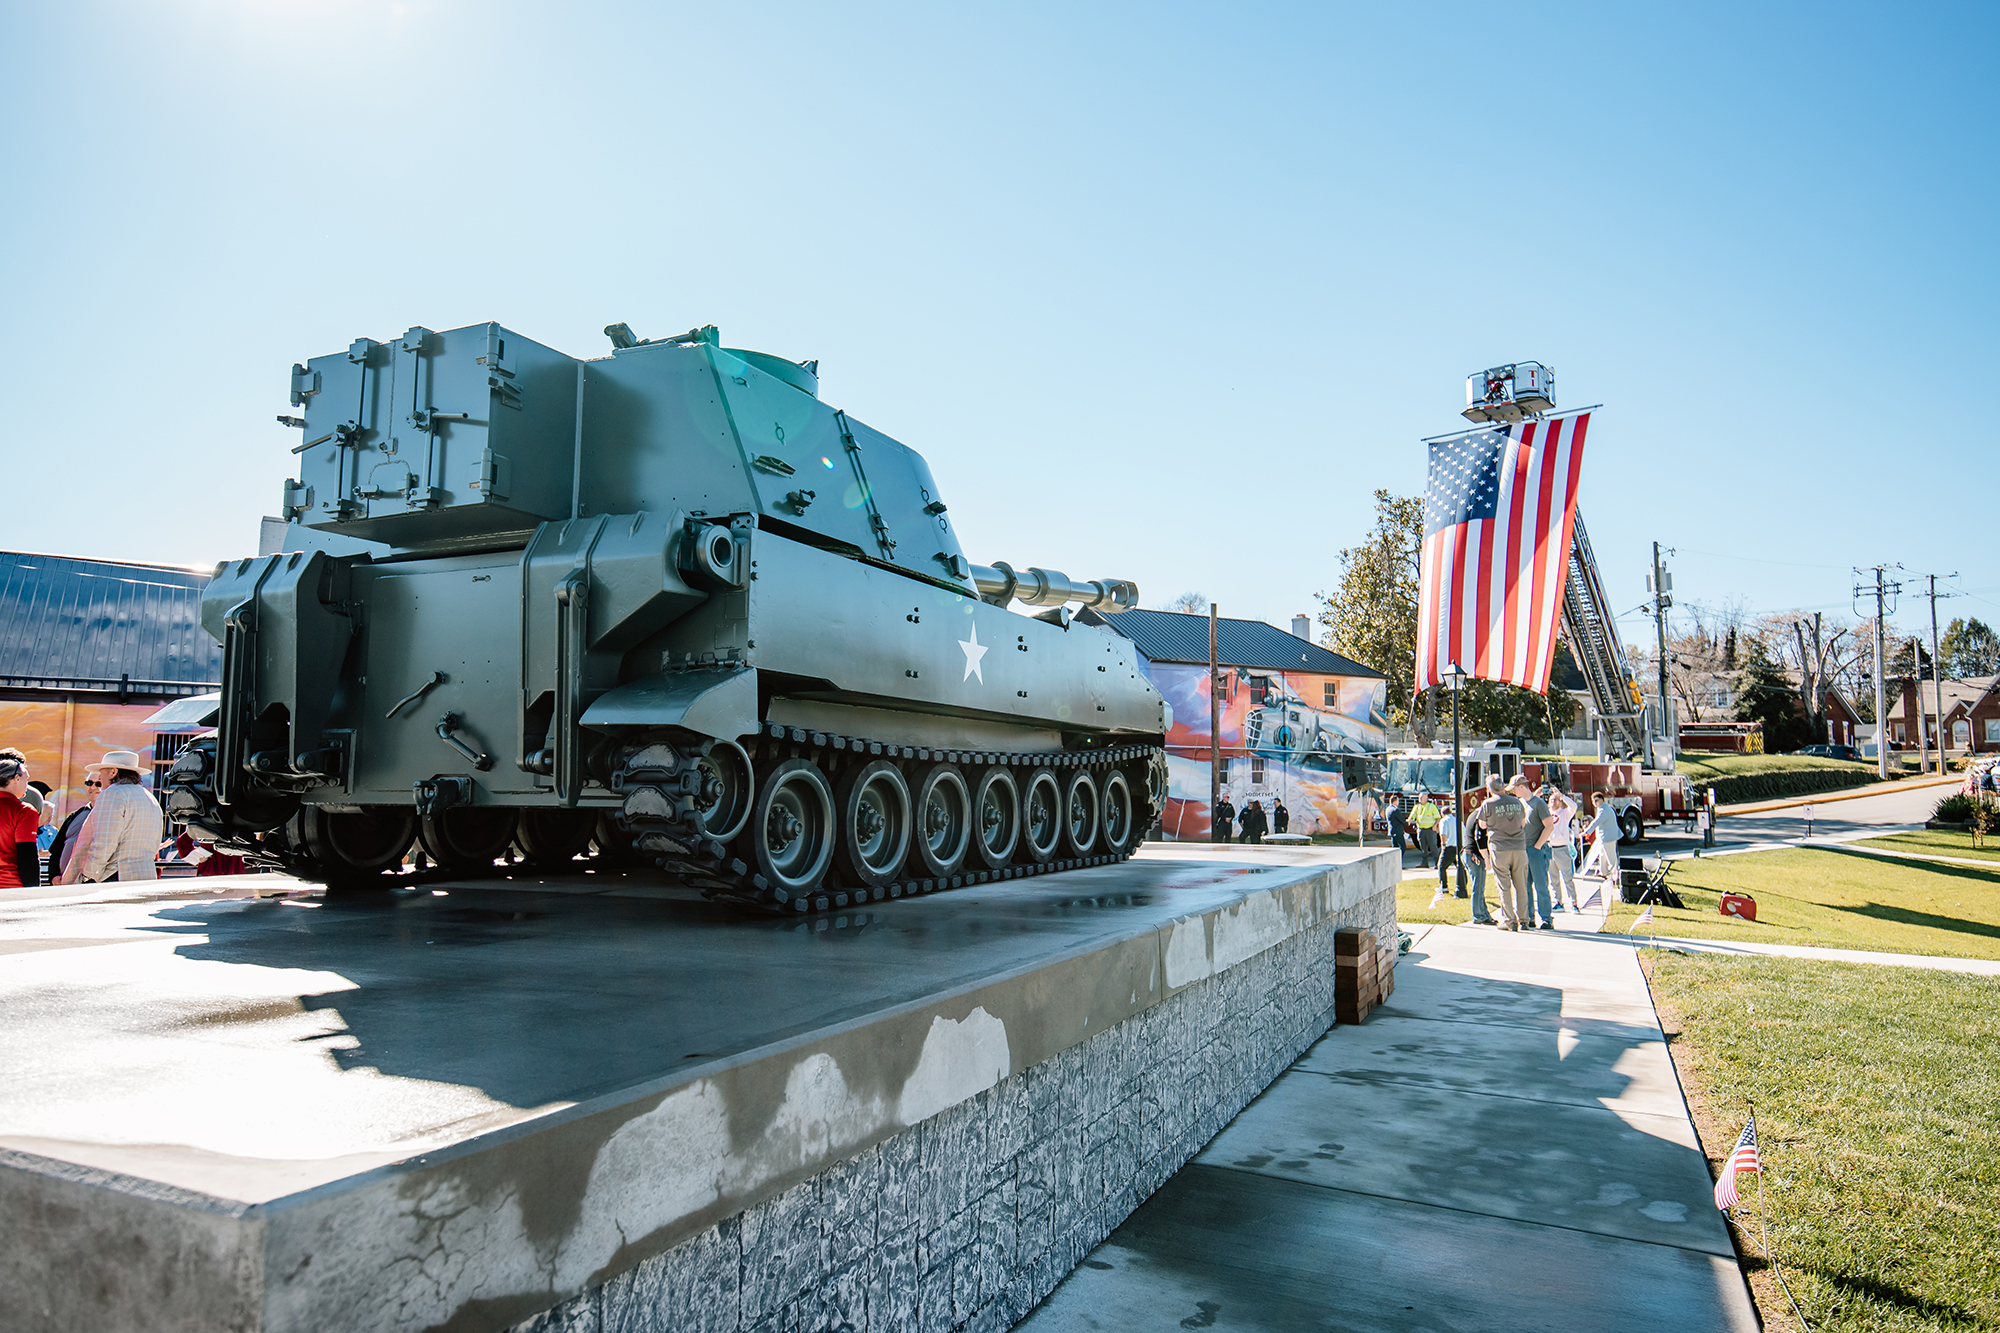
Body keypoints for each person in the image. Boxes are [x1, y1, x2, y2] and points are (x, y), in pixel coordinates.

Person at [58, 751, 161, 885]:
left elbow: (104, 841)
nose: (100, 777)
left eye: (102, 772)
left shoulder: (112, 794)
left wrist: (88, 875)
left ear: (113, 772)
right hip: (145, 876)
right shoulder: (149, 797)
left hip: (115, 876)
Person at [1475, 776, 1531, 931]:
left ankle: (1509, 920)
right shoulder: (1517, 802)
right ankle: (1525, 920)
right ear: (1504, 786)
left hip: (1499, 848)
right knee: (1521, 885)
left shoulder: (1487, 804)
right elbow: (1523, 823)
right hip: (1519, 847)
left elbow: (1482, 825)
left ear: (1489, 789)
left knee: (1504, 886)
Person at [1512, 776, 1555, 930]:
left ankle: (1547, 918)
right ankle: (1529, 918)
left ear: (1522, 787)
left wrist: (1537, 846)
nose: (1513, 791)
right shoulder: (1521, 804)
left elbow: (1549, 826)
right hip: (1523, 850)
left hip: (1536, 850)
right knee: (1525, 886)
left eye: (1514, 788)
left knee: (1541, 885)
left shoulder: (1539, 804)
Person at [0, 755, 42, 888]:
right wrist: (33, 892)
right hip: (11, 888)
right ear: (16, 778)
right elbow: (27, 857)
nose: (27, 785)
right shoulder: (24, 811)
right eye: (26, 779)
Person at [1545, 786, 1581, 912]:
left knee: (1567, 877)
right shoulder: (1546, 814)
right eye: (1551, 800)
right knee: (1553, 878)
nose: (1553, 802)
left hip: (1562, 849)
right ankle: (1558, 902)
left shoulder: (1564, 813)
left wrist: (1562, 796)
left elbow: (1574, 806)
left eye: (1555, 800)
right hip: (1549, 849)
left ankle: (1574, 903)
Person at [1580, 792, 1623, 893]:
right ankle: (1604, 873)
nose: (1594, 803)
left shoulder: (1604, 810)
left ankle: (1615, 878)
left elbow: (1596, 822)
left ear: (1602, 800)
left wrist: (1586, 832)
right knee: (1603, 855)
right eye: (1593, 801)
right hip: (1605, 838)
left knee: (1611, 858)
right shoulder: (1603, 809)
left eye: (1596, 800)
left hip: (1608, 838)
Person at [1463, 793, 1494, 924]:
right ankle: (1479, 916)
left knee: (1479, 886)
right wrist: (1487, 858)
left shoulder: (1473, 815)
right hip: (1475, 855)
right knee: (1478, 887)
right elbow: (1479, 838)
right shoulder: (1480, 817)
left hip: (1468, 853)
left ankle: (1484, 914)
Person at [1411, 791, 1441, 868]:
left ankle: (1438, 863)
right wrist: (1408, 821)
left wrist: (1435, 826)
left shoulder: (1432, 806)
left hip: (1430, 830)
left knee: (1433, 847)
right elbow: (1412, 816)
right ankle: (1424, 863)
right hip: (1421, 830)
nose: (1420, 799)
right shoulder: (1416, 807)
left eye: (1422, 797)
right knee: (1423, 848)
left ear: (1426, 798)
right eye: (1419, 797)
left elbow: (1438, 817)